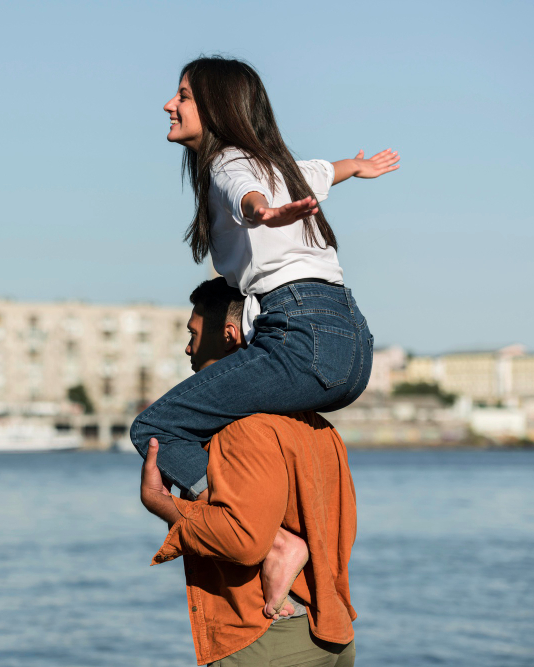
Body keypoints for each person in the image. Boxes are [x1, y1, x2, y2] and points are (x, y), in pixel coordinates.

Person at [130, 56, 397, 502]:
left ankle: (254, 527)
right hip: (353, 345)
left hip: (300, 337)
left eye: (183, 96)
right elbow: (323, 172)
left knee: (156, 427)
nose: (167, 105)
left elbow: (244, 193)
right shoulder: (280, 167)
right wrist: (356, 165)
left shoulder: (226, 162)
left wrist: (262, 213)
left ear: (217, 108)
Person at [141, 278, 358, 666]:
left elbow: (243, 541)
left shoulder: (241, 428)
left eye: (192, 334)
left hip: (268, 635)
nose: (188, 348)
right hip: (330, 631)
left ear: (229, 336)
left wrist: (163, 505)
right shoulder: (316, 426)